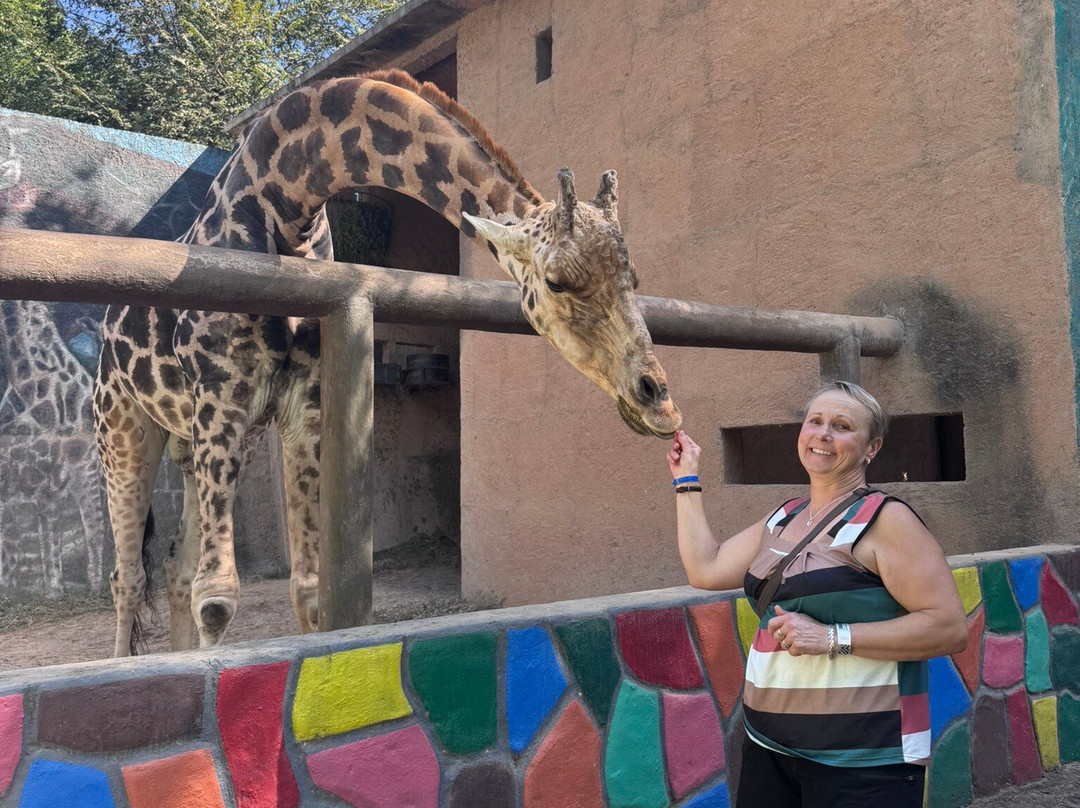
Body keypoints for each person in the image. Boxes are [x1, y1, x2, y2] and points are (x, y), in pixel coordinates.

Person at [668, 381, 966, 808]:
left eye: (842, 426)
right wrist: (687, 480)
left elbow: (949, 627)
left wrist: (831, 637)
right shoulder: (784, 517)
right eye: (815, 421)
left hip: (863, 759)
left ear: (871, 448)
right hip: (770, 745)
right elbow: (706, 568)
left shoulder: (885, 520)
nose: (823, 434)